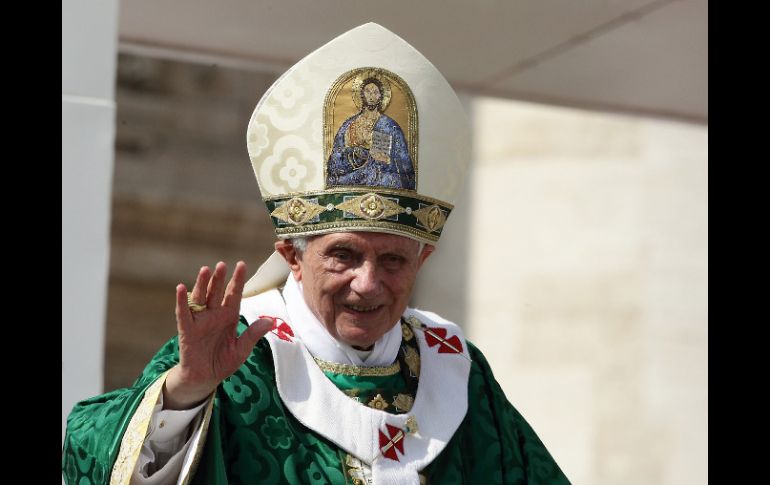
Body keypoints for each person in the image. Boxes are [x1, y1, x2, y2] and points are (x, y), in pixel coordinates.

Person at [62, 23, 571, 484]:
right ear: (291, 254)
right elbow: (87, 447)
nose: (368, 283)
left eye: (393, 260)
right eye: (344, 256)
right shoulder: (235, 353)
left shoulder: (456, 368)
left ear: (423, 261)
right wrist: (187, 392)